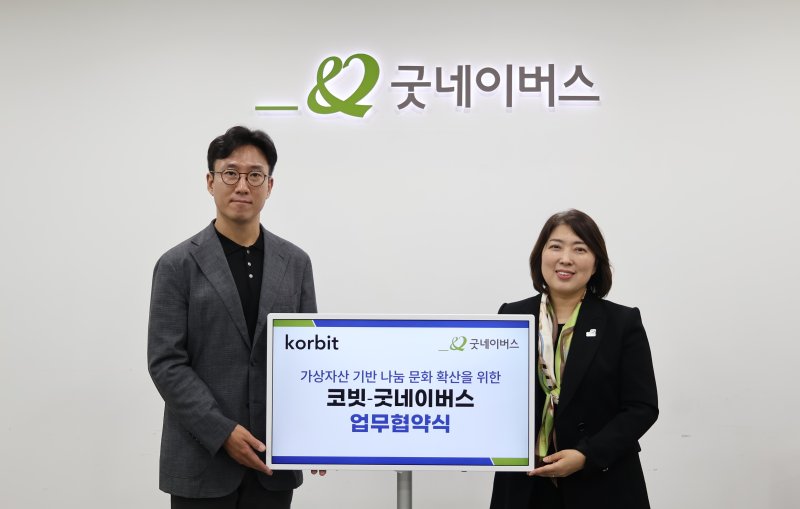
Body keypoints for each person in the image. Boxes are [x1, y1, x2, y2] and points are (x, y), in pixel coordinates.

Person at [148, 126, 321, 509]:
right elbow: (166, 363)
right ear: (211, 182)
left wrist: (315, 433)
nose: (242, 185)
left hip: (273, 462)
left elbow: (308, 358)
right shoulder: (177, 265)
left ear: (269, 186)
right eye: (230, 173)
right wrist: (222, 431)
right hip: (201, 462)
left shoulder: (295, 263)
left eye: (255, 175)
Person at [490, 209, 658, 509]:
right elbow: (493, 394)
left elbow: (641, 407)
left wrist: (586, 455)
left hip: (601, 482)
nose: (565, 258)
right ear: (540, 255)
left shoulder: (622, 322)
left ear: (595, 264)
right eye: (555, 246)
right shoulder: (512, 315)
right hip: (524, 485)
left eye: (580, 249)